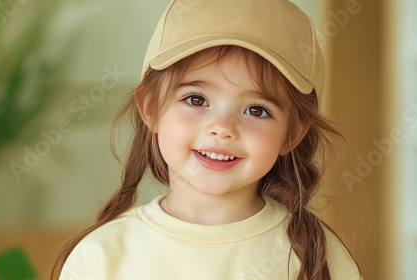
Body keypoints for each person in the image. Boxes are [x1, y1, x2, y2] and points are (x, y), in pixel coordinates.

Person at [52, 0, 362, 279]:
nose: (222, 128)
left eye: (257, 109)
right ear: (150, 107)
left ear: (293, 133)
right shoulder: (101, 257)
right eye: (196, 100)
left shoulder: (316, 258)